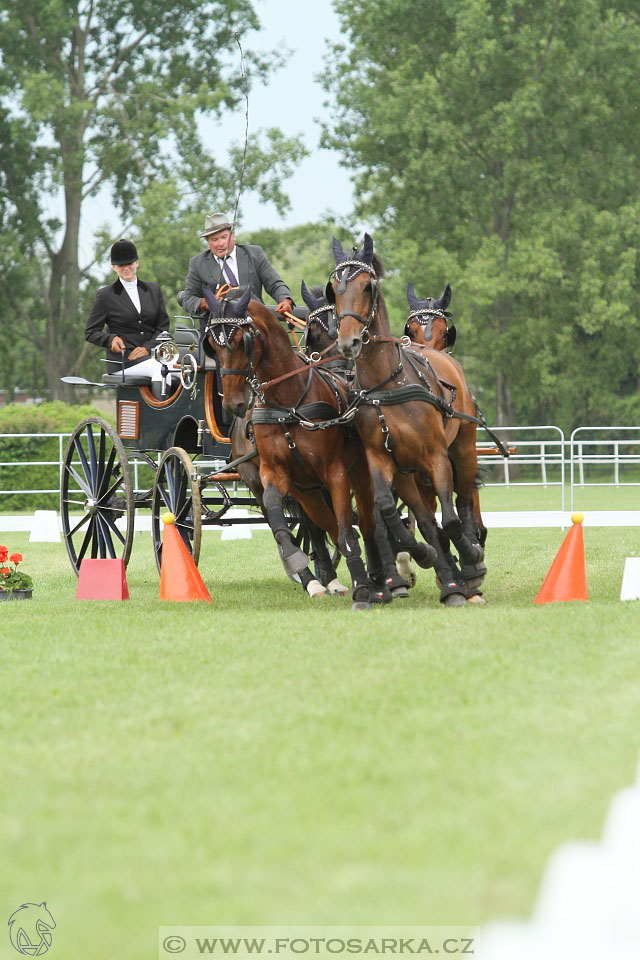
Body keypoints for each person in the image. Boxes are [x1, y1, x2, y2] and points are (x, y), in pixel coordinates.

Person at [85, 239, 172, 383]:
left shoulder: (153, 290)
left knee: (181, 370)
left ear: (136, 263)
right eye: (121, 265)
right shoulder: (106, 295)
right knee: (161, 371)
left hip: (152, 355)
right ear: (114, 267)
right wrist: (110, 339)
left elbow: (163, 327)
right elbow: (90, 332)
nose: (126, 268)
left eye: (129, 264)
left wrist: (148, 348)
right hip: (124, 361)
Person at [177, 212, 294, 317]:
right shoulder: (198, 263)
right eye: (214, 240)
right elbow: (188, 299)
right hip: (218, 325)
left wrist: (285, 299)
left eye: (224, 237)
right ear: (208, 243)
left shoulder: (254, 254)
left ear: (233, 237)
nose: (220, 243)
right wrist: (204, 303)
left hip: (254, 320)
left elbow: (274, 283)